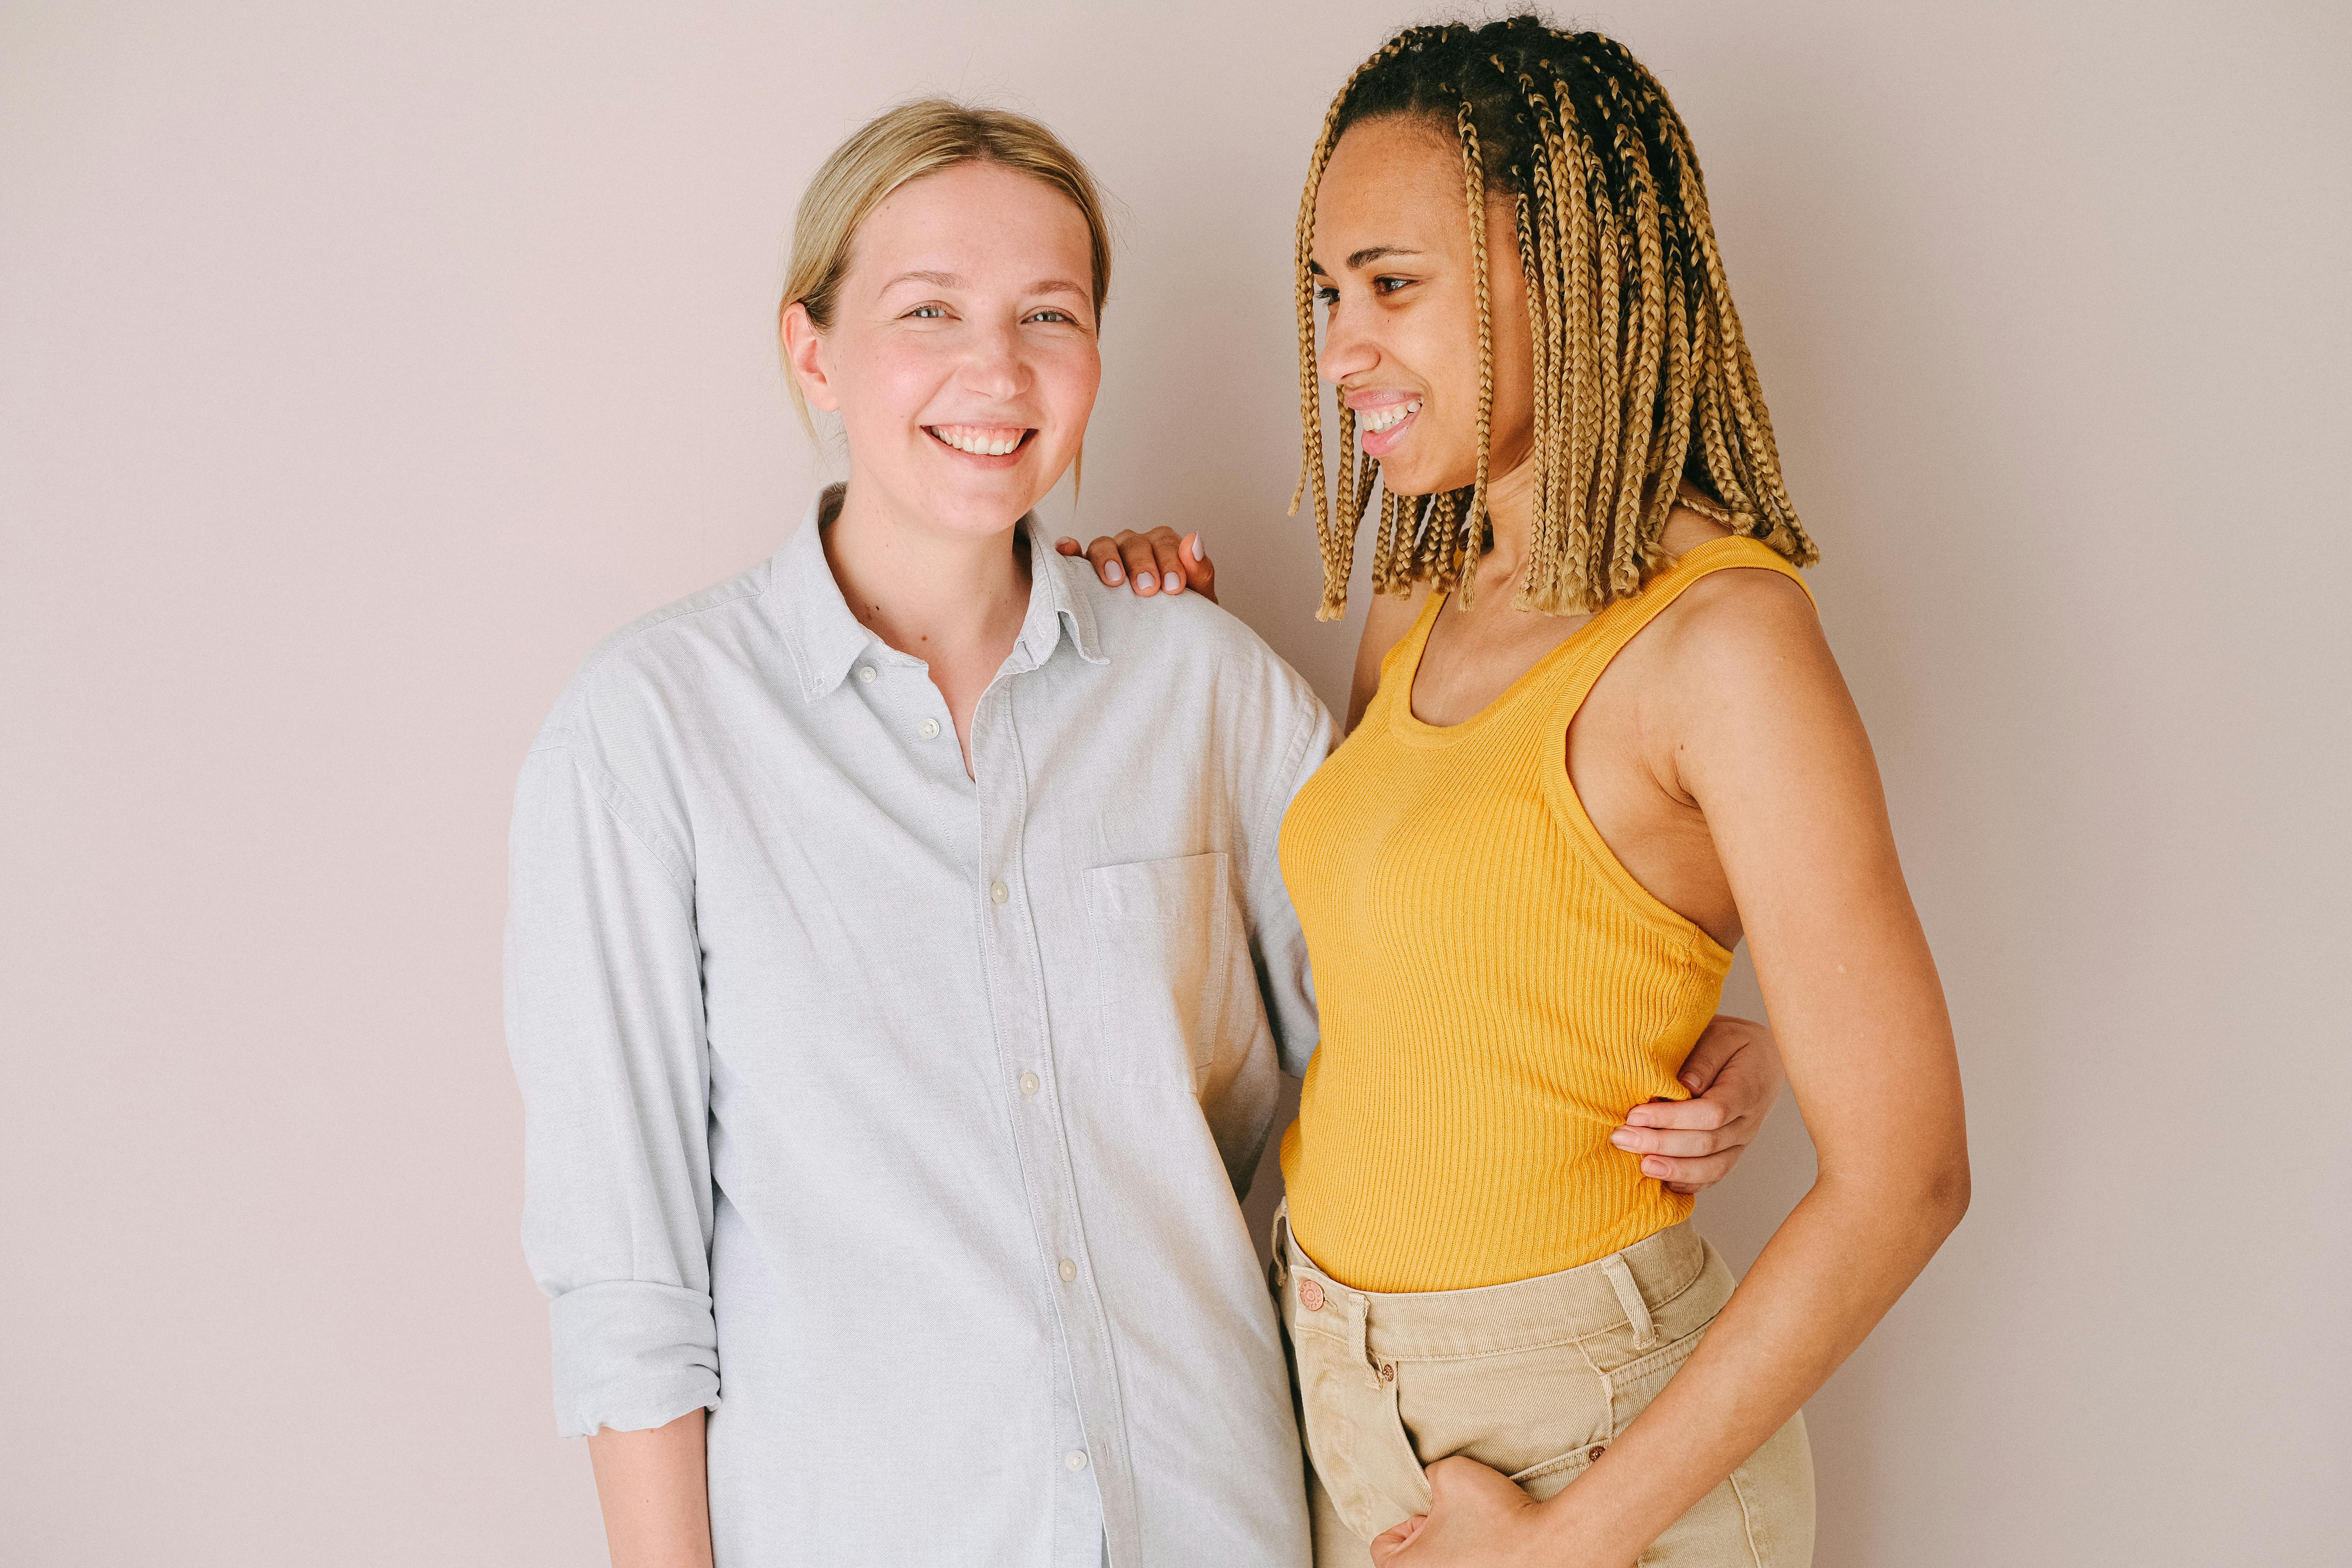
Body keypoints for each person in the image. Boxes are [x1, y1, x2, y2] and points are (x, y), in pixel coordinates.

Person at [505, 96, 1783, 1568]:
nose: (996, 369)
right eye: (930, 309)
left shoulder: (1204, 690)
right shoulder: (650, 735)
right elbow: (628, 1279)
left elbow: (1434, 1008)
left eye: (1049, 314)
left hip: (1217, 1520)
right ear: (814, 351)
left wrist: (1706, 1038)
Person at [1071, 18, 1968, 1568]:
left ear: (1575, 269)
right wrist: (1124, 633)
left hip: (1587, 1439)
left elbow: (1909, 1178)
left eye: (1393, 283)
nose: (1342, 347)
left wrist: (1565, 1544)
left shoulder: (1726, 643)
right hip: (1354, 1402)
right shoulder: (1424, 596)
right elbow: (1427, 972)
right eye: (1329, 293)